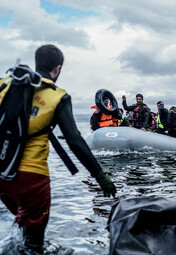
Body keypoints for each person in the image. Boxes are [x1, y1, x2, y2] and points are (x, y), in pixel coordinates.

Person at [0, 44, 116, 253]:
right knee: (34, 245)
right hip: (31, 179)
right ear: (58, 69)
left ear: (38, 63)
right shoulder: (57, 96)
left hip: (1, 172)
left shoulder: (5, 84)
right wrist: (100, 176)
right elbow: (74, 140)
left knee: (21, 223)